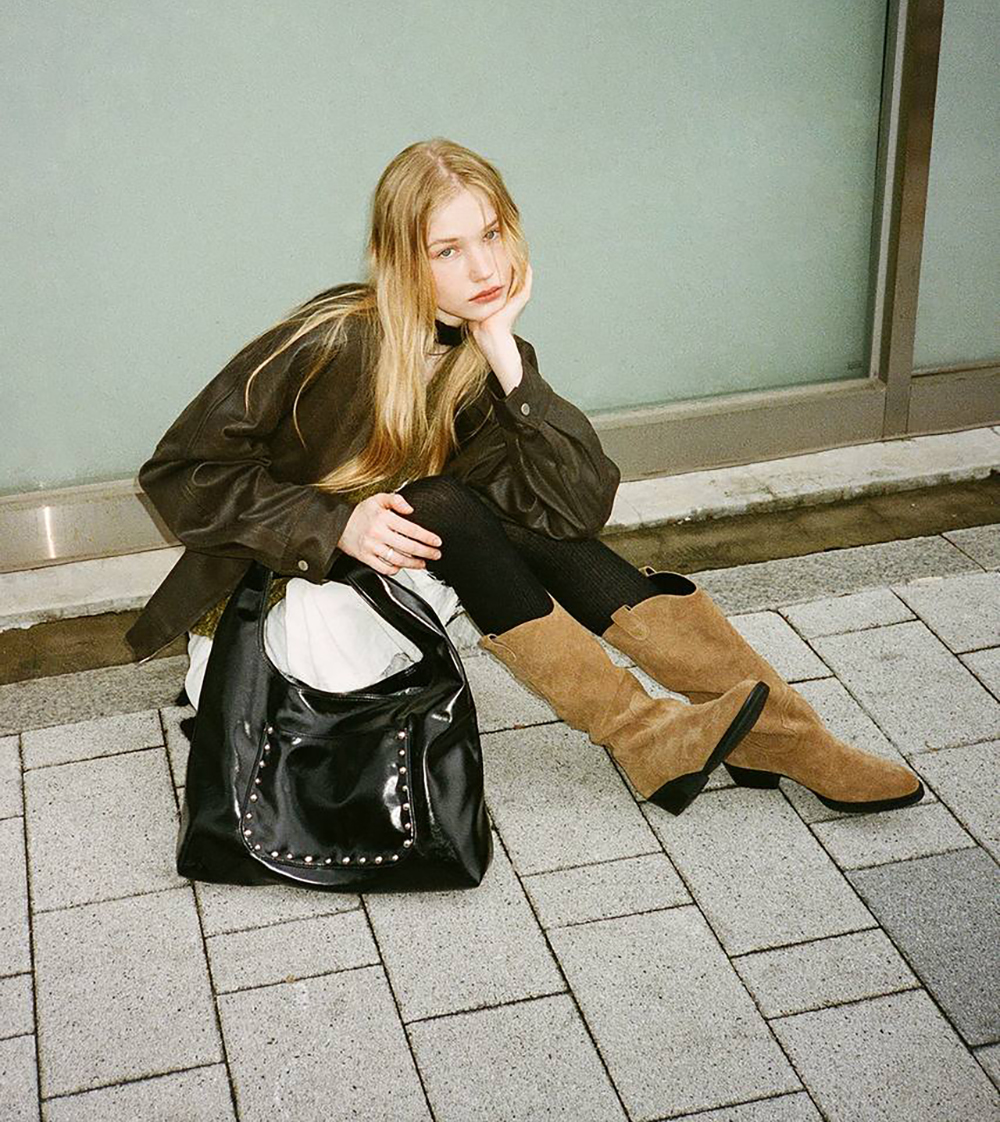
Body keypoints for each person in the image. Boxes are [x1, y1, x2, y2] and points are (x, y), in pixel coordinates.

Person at [126, 137, 922, 817]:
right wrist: (336, 523)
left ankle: (788, 738)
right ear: (400, 260)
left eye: (491, 234)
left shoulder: (480, 356)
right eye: (447, 250)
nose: (483, 266)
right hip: (283, 631)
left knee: (511, 514)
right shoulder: (334, 337)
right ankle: (649, 735)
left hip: (389, 598)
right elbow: (179, 472)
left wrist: (508, 356)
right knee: (444, 502)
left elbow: (573, 511)